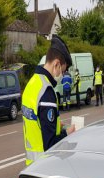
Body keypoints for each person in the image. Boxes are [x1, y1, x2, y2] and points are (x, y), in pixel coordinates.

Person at [22, 35, 75, 166]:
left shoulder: (33, 83)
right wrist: (68, 133)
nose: (62, 76)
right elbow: (50, 144)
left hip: (31, 165)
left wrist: (57, 125)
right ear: (56, 64)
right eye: (62, 71)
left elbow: (38, 122)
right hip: (44, 166)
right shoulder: (47, 92)